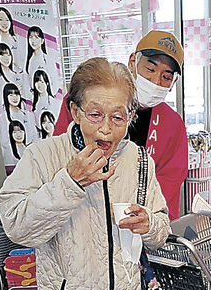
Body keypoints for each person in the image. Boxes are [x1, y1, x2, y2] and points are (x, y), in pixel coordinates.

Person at [0, 57, 170, 290]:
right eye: (95, 115)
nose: (106, 129)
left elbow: (161, 227)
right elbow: (16, 225)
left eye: (118, 117)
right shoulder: (45, 156)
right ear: (75, 111)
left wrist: (148, 224)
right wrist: (69, 183)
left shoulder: (139, 161)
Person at [54, 30, 188, 219]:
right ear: (132, 62)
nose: (155, 81)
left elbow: (170, 179)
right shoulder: (84, 100)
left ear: (174, 82)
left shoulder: (172, 124)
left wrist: (142, 212)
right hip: (81, 209)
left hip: (135, 219)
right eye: (150, 69)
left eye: (166, 77)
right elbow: (60, 151)